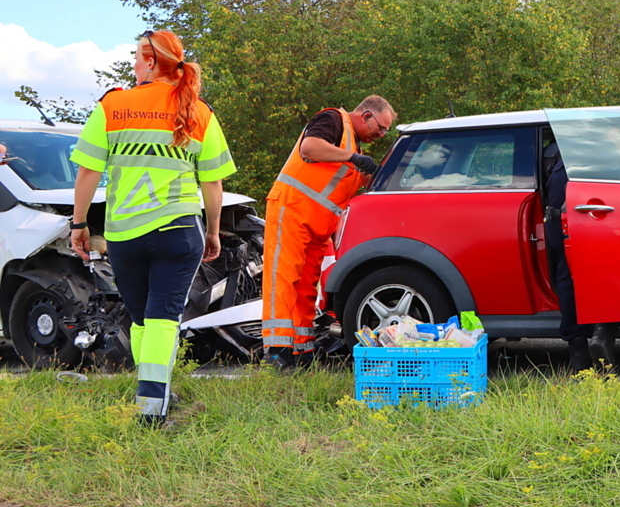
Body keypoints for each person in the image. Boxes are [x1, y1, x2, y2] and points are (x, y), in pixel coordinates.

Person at [70, 29, 235, 426]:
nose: (132, 64)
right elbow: (212, 184)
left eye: (134, 56)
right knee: (162, 318)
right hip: (178, 230)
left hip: (125, 233)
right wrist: (213, 231)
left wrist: (78, 223)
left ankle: (153, 399)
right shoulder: (199, 111)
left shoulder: (114, 106)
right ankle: (152, 404)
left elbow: (88, 172)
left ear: (147, 60)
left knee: (143, 318)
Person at [262, 96, 395, 369]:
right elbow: (310, 147)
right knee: (284, 280)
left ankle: (302, 350)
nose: (380, 135)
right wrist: (353, 157)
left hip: (317, 224)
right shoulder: (334, 119)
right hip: (292, 209)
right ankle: (278, 351)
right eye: (380, 128)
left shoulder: (356, 146)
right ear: (366, 115)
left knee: (307, 287)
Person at [542, 139, 620, 371]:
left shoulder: (553, 153)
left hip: (559, 222)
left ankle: (578, 350)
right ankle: (603, 332)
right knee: (611, 274)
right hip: (596, 219)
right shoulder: (607, 151)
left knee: (567, 276)